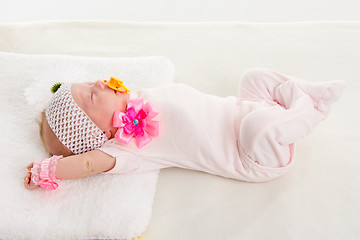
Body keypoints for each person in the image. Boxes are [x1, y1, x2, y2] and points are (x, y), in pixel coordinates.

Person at [24, 68, 345, 190]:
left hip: (245, 109)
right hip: (253, 153)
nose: (98, 83)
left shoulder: (135, 98)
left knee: (252, 78)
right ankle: (311, 110)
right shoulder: (121, 150)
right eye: (93, 95)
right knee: (257, 126)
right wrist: (49, 171)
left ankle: (303, 95)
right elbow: (88, 163)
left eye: (90, 82)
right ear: (100, 132)